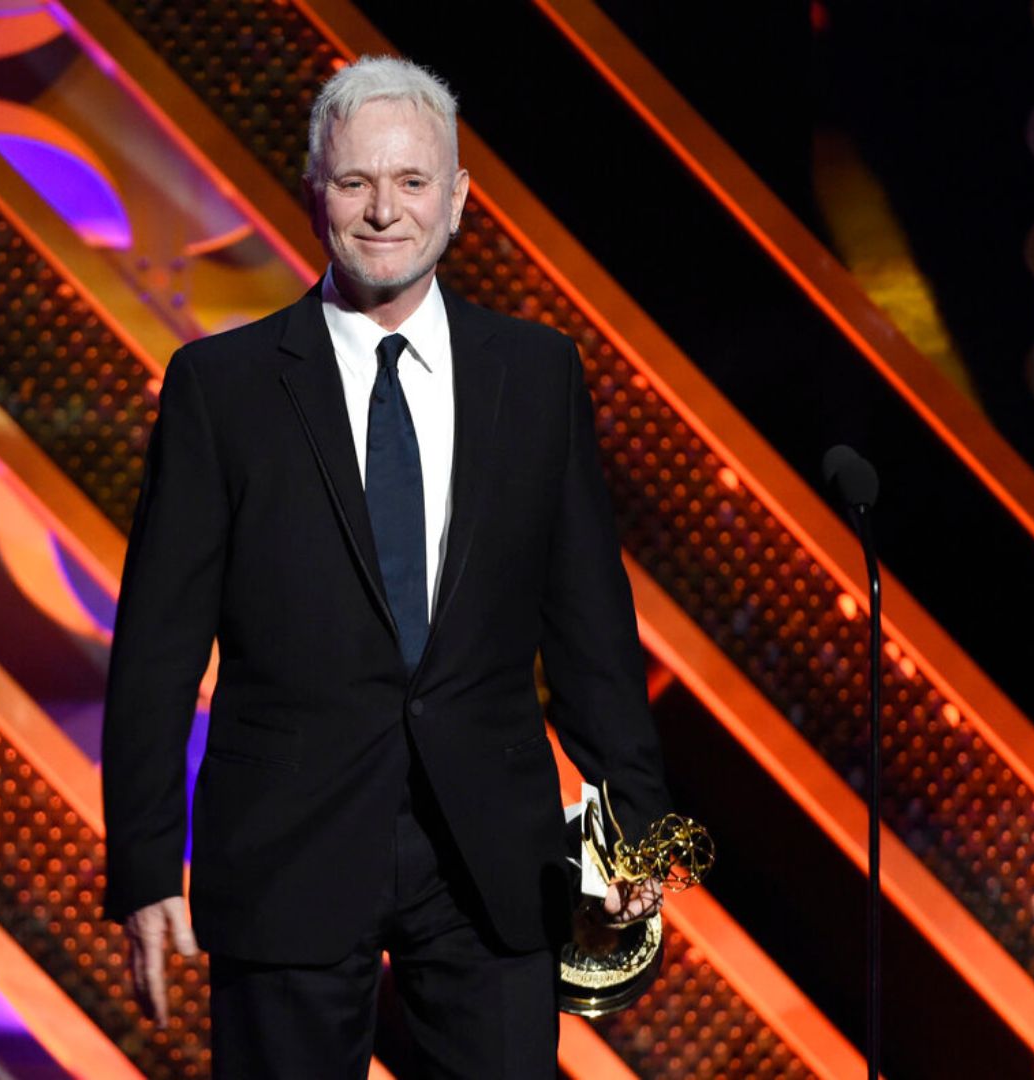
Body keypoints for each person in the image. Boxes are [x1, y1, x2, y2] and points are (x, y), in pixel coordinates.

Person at [101, 54, 673, 1077]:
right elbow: (155, 650)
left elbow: (589, 620)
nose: (383, 211)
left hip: (492, 854)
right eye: (357, 181)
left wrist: (633, 818)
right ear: (315, 190)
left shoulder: (537, 376)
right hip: (285, 845)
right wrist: (146, 866)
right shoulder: (220, 389)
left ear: (456, 199)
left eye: (411, 182)